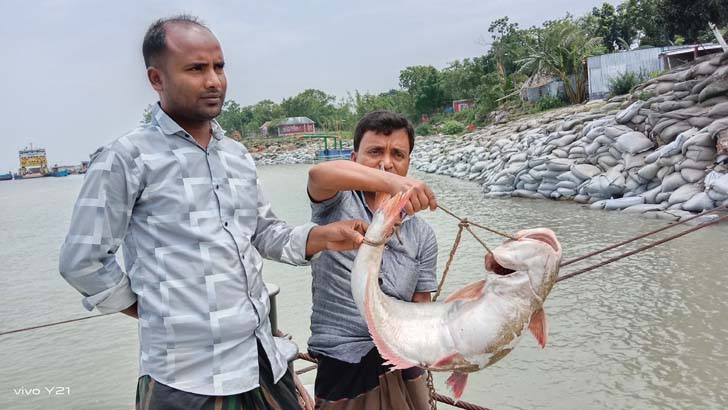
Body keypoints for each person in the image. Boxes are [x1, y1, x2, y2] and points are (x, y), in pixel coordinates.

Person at [59, 15, 368, 410]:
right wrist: (149, 307)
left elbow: (263, 232)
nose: (213, 81)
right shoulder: (127, 158)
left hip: (262, 366)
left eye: (219, 67)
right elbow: (82, 260)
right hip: (186, 379)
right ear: (157, 79)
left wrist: (320, 237)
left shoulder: (236, 156)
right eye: (196, 69)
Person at [306, 110, 439, 409]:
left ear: (409, 163)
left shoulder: (423, 235)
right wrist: (390, 182)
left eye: (398, 155)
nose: (387, 162)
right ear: (354, 159)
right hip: (343, 363)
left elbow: (422, 305)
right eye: (375, 152)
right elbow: (318, 175)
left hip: (402, 365)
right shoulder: (336, 204)